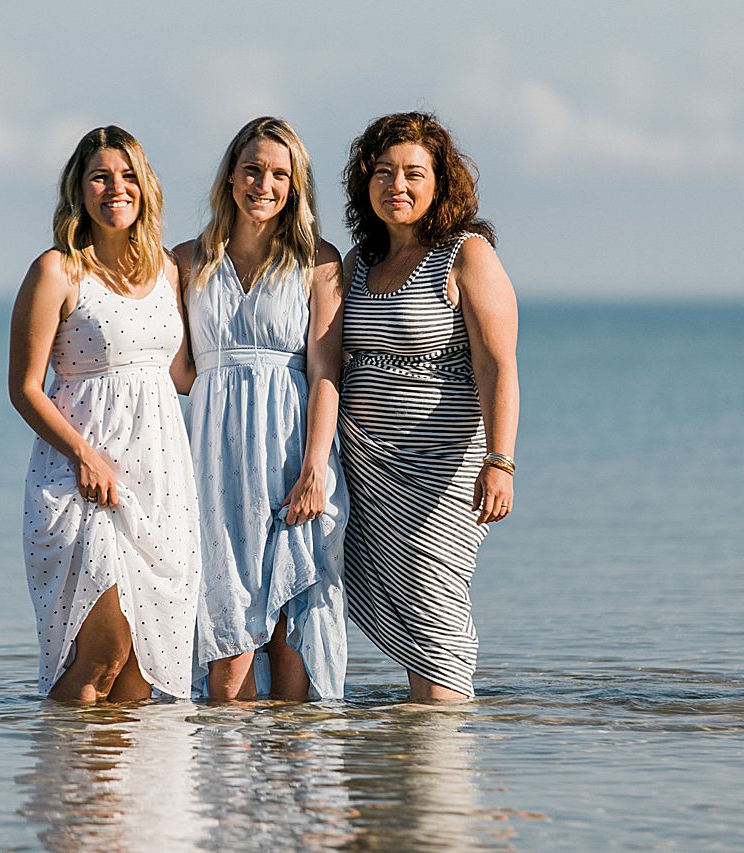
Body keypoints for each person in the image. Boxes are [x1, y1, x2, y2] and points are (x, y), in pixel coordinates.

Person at [9, 126, 200, 702]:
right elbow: (24, 388)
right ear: (79, 190)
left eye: (127, 176)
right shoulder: (57, 271)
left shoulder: (168, 272)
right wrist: (85, 457)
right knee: (102, 655)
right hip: (84, 480)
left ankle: (119, 794)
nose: (115, 188)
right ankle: (61, 785)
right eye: (100, 176)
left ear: (145, 187)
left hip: (162, 483)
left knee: (142, 675)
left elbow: (185, 375)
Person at [338, 111, 519, 701]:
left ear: (440, 182)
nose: (399, 185)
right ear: (365, 183)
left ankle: (445, 757)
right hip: (362, 466)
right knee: (390, 598)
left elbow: (497, 365)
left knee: (435, 602)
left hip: (438, 468)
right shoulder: (357, 263)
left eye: (414, 173)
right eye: (384, 172)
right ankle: (408, 762)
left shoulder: (466, 255)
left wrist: (501, 460)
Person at [174, 117, 348, 701]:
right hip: (213, 459)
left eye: (280, 173)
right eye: (252, 169)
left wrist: (314, 471)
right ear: (230, 177)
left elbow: (326, 374)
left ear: (296, 185)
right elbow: (176, 368)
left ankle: (299, 780)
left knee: (291, 624)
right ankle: (229, 785)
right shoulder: (186, 261)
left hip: (292, 451)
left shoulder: (319, 261)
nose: (263, 184)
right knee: (226, 635)